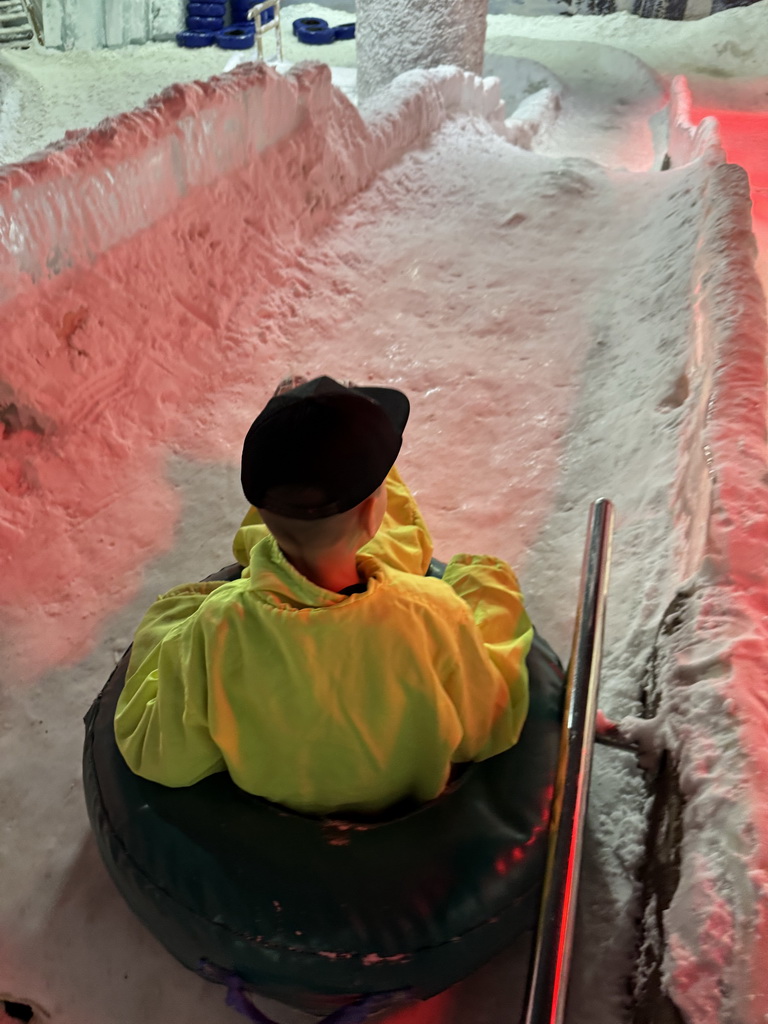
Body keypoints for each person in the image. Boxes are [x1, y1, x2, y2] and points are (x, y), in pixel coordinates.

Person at [115, 376, 534, 815]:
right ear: (376, 510)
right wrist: (486, 581)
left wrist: (175, 615)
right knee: (412, 558)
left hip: (274, 803)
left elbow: (158, 756)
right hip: (412, 796)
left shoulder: (215, 629)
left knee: (194, 599)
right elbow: (490, 722)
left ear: (261, 514)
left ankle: (299, 429)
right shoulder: (432, 611)